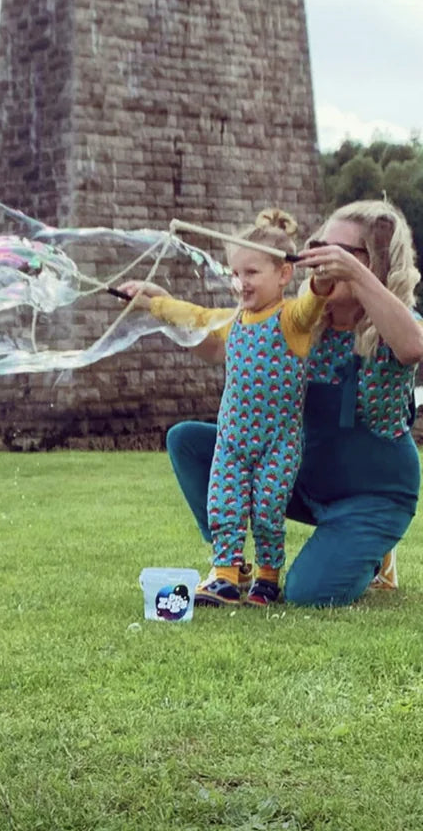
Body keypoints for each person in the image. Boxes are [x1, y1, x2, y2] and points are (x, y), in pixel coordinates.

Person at [128, 199, 423, 608]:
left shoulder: (395, 323)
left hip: (371, 495)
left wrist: (354, 275)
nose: (324, 259)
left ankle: (375, 555)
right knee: (189, 442)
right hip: (300, 477)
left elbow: (413, 347)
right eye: (320, 246)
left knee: (307, 593)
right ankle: (231, 564)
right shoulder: (300, 320)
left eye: (341, 252)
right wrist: (160, 306)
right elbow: (221, 344)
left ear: (373, 262)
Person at [122, 208, 327, 607]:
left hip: (277, 443)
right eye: (235, 273)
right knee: (222, 504)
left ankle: (268, 576)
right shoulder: (234, 319)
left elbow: (313, 301)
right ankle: (227, 574)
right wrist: (155, 302)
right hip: (233, 438)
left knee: (268, 511)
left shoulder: (291, 320)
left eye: (251, 273)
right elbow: (194, 317)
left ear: (284, 274)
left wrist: (320, 276)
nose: (240, 282)